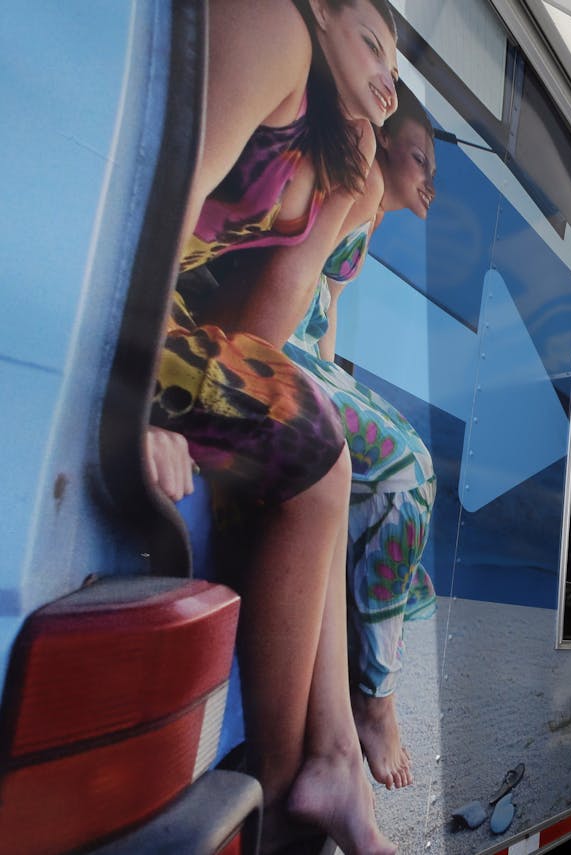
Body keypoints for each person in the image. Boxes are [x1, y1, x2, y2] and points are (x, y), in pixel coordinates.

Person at [141, 1, 401, 851]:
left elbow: (259, 335)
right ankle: (297, 795)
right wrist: (140, 392)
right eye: (373, 42)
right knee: (321, 443)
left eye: (397, 67)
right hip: (118, 294)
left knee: (314, 444)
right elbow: (159, 187)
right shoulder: (277, 28)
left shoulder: (334, 144)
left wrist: (343, 199)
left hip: (172, 324)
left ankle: (317, 768)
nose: (388, 79)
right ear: (324, 13)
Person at [283, 82, 438, 790]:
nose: (426, 176)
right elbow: (299, 284)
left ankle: (363, 671)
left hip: (305, 352)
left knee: (395, 492)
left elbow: (329, 304)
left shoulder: (376, 206)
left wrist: (342, 392)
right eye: (421, 157)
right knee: (411, 467)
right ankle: (374, 696)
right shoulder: (365, 171)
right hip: (273, 344)